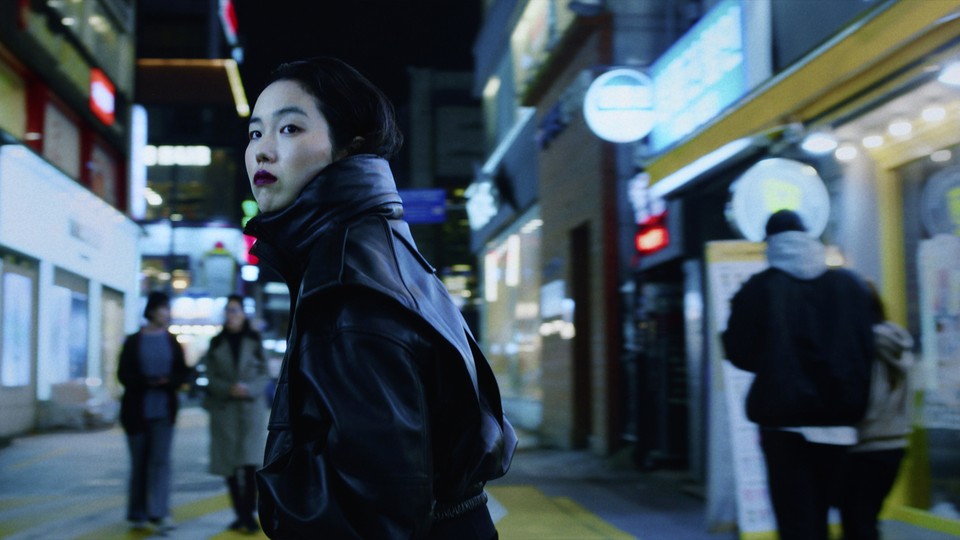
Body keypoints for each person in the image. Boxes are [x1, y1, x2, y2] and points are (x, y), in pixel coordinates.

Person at [242, 56, 517, 539]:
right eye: (254, 133)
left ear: (352, 147)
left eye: (288, 129)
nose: (262, 152)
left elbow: (372, 514)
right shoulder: (382, 249)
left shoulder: (345, 286)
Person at [721, 209, 875, 540]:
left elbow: (738, 351)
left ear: (770, 243)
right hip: (840, 419)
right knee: (835, 510)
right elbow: (867, 347)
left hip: (784, 421)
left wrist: (774, 363)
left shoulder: (758, 289)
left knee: (796, 518)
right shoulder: (849, 284)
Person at [839, 284, 916, 540]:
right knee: (866, 520)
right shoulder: (899, 340)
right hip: (895, 442)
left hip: (866, 444)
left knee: (858, 523)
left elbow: (871, 400)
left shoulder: (864, 345)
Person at [117, 291, 189, 534]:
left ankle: (159, 513)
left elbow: (183, 373)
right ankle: (137, 513)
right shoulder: (133, 341)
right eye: (163, 308)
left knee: (160, 462)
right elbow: (123, 375)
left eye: (167, 309)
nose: (166, 313)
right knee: (139, 463)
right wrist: (146, 381)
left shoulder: (172, 341)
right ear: (152, 310)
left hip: (164, 411)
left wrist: (167, 381)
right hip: (136, 411)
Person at [201, 294, 270, 534]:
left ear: (243, 314)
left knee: (250, 464)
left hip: (250, 409)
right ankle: (241, 514)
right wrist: (227, 388)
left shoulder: (254, 340)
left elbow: (265, 373)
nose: (231, 316)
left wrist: (248, 388)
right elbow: (209, 376)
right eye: (228, 311)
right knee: (229, 466)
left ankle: (247, 513)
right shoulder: (216, 342)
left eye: (235, 311)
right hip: (225, 409)